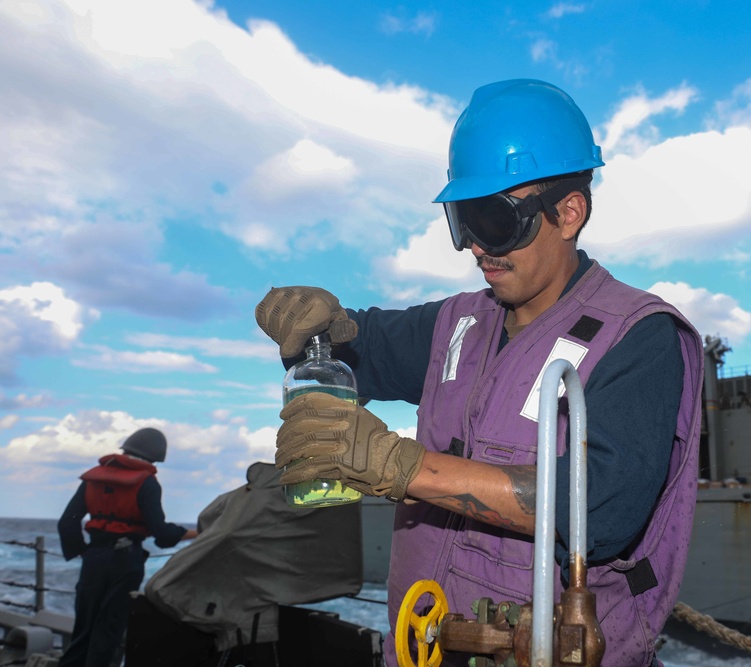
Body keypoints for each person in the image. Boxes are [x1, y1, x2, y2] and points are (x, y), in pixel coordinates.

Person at [256, 79, 704, 666]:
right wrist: (316, 328)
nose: (476, 248)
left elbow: (603, 512)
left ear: (569, 213)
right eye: (463, 222)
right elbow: (359, 349)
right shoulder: (458, 325)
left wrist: (401, 466)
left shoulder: (636, 335)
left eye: (496, 221)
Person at [57, 427, 198, 667]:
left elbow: (66, 523)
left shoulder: (94, 478)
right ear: (155, 456)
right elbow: (160, 533)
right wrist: (197, 533)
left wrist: (83, 551)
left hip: (94, 559)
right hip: (125, 562)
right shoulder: (147, 483)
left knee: (83, 629)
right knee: (109, 630)